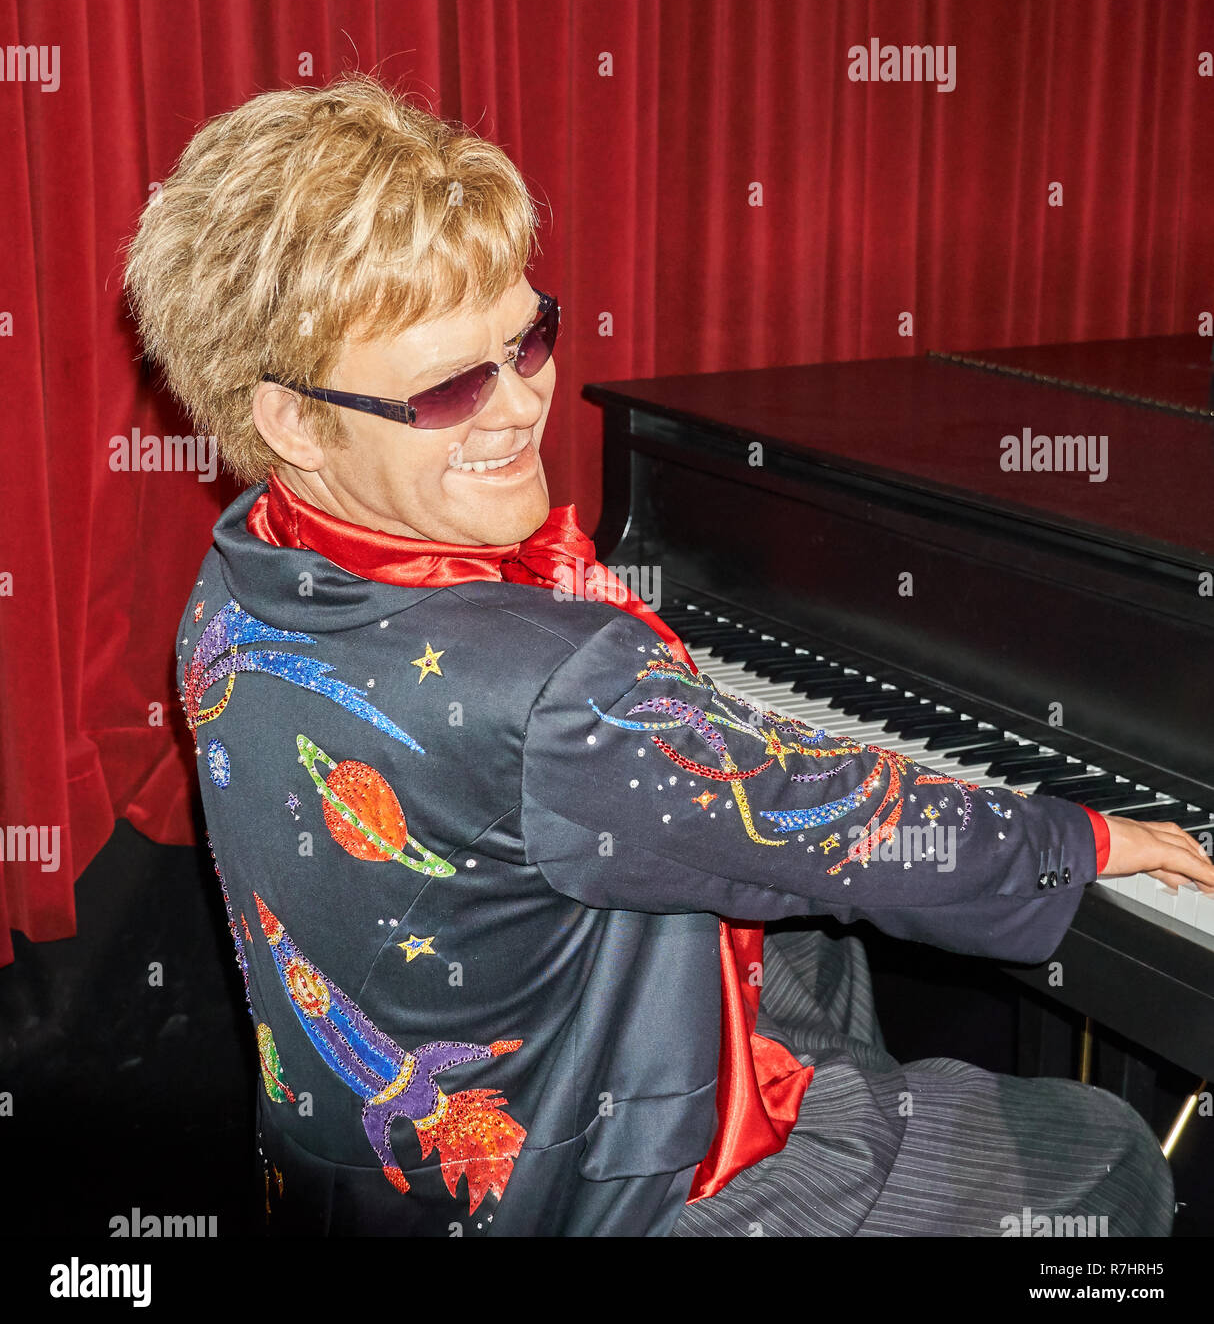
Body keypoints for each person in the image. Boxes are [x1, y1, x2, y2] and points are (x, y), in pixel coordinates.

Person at [124, 73, 1209, 1237]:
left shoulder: (240, 573)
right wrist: (1078, 834)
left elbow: (682, 779)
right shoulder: (547, 683)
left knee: (809, 959)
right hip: (579, 1187)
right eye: (446, 390)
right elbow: (818, 818)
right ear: (291, 419)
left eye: (528, 337)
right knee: (1097, 1166)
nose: (517, 407)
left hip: (351, 1170)